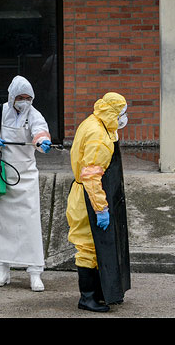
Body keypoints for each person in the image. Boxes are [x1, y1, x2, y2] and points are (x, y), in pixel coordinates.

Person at [0, 75, 52, 292]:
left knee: (29, 224)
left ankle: (35, 272)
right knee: (1, 223)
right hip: (3, 174)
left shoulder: (34, 114)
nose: (24, 101)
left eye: (28, 98)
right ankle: (3, 269)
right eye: (20, 97)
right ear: (11, 97)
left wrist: (42, 142)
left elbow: (40, 132)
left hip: (26, 175)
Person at [66, 92, 131, 312]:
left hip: (86, 193)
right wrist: (101, 208)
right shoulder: (99, 136)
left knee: (97, 246)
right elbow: (92, 176)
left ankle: (103, 292)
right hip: (88, 197)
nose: (124, 117)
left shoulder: (95, 122)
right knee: (88, 247)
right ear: (112, 112)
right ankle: (88, 298)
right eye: (121, 113)